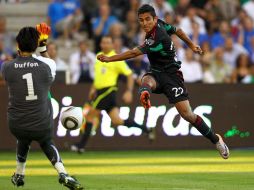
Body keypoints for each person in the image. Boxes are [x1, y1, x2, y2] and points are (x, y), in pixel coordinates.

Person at [97, 4, 230, 159]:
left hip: (172, 76)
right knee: (146, 80)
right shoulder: (160, 24)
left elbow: (134, 52)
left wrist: (109, 59)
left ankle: (216, 139)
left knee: (188, 115)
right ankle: (145, 92)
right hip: (156, 72)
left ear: (155, 19)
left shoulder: (156, 37)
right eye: (141, 20)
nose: (144, 23)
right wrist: (191, 44)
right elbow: (178, 31)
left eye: (148, 19)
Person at [0, 23, 84, 189]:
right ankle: (63, 174)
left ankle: (19, 175)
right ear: (35, 45)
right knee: (46, 140)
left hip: (16, 124)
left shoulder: (6, 67)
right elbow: (46, 62)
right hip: (41, 122)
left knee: (23, 136)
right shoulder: (47, 65)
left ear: (18, 45)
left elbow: (20, 65)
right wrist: (43, 46)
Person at [71, 35, 154, 153]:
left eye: (108, 43)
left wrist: (129, 91)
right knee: (117, 121)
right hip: (100, 91)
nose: (105, 45)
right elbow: (98, 77)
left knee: (89, 116)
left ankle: (81, 146)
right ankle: (146, 129)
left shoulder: (116, 59)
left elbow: (129, 74)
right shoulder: (98, 56)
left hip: (108, 91)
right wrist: (92, 89)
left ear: (112, 45)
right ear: (100, 44)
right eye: (103, 42)